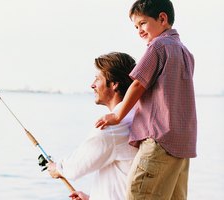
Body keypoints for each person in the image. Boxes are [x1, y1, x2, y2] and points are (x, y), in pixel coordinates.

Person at [95, 0, 197, 199]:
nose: (139, 30)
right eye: (136, 26)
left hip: (160, 140)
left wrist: (116, 116)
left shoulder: (158, 46)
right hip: (183, 144)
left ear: (162, 18)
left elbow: (138, 84)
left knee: (139, 193)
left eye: (142, 23)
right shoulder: (186, 52)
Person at [47, 52, 138, 200]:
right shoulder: (135, 117)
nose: (92, 85)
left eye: (97, 78)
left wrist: (57, 168)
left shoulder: (111, 128)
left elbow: (75, 168)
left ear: (114, 84)